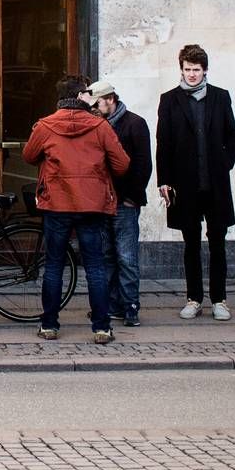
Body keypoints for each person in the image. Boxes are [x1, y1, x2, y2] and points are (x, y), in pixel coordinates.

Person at [22, 75, 130, 344]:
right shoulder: (99, 126)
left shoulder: (46, 125)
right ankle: (101, 327)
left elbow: (28, 155)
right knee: (94, 265)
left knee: (55, 265)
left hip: (57, 204)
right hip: (91, 204)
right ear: (81, 96)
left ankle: (49, 325)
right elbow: (122, 164)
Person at [156, 44, 235, 321]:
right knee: (190, 243)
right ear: (181, 69)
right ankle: (193, 298)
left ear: (205, 70)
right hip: (184, 184)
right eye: (187, 69)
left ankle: (219, 299)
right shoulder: (169, 100)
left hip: (215, 182)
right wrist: (164, 180)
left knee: (218, 243)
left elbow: (232, 133)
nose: (192, 74)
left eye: (196, 69)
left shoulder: (220, 97)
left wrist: (225, 163)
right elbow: (163, 143)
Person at [87, 79, 153, 327]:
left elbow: (143, 164)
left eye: (99, 103)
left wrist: (131, 198)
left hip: (124, 201)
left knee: (126, 257)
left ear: (110, 99)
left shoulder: (134, 124)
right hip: (102, 201)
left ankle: (130, 306)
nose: (95, 108)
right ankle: (112, 305)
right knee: (106, 256)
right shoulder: (96, 124)